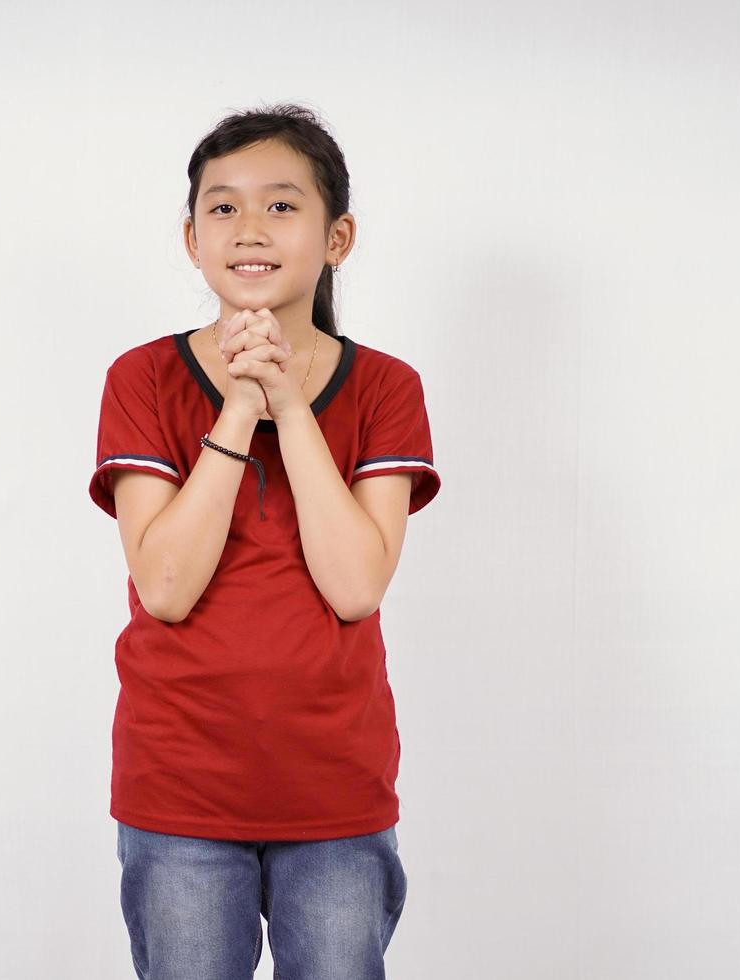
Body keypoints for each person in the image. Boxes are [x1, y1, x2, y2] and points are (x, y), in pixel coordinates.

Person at [87, 103, 442, 980]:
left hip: (336, 788)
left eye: (282, 206)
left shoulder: (387, 387)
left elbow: (356, 585)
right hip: (179, 784)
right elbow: (166, 585)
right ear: (190, 236)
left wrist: (289, 401)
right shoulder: (143, 377)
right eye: (222, 207)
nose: (250, 229)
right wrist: (240, 407)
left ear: (337, 236)